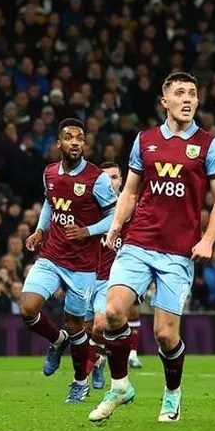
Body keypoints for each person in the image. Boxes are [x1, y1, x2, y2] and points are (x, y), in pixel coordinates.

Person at [88, 72, 215, 423]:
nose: (187, 98)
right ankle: (120, 385)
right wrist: (117, 225)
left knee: (165, 335)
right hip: (139, 242)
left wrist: (208, 239)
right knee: (112, 313)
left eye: (193, 94)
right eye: (179, 93)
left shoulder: (208, 144)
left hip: (179, 251)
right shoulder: (145, 140)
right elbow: (131, 192)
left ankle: (172, 395)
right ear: (164, 101)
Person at [21, 118, 117, 403]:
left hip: (83, 265)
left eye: (79, 138)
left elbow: (114, 217)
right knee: (27, 308)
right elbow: (50, 204)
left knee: (76, 324)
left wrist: (88, 230)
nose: (75, 142)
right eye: (69, 137)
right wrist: (40, 230)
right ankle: (56, 340)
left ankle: (79, 382)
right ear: (59, 143)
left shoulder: (97, 178)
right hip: (51, 255)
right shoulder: (49, 172)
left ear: (84, 144)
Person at [84, 161, 125, 391]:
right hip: (87, 276)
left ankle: (79, 382)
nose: (111, 182)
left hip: (112, 280)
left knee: (100, 325)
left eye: (115, 177)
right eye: (106, 177)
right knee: (87, 329)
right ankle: (99, 360)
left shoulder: (130, 211)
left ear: (121, 181)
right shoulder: (90, 209)